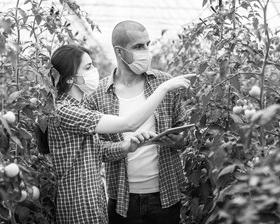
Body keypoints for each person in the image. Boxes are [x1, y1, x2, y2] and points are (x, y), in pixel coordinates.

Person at [47, 44, 193, 224]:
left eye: (92, 65)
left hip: (93, 201)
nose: (94, 71)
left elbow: (97, 151)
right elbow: (129, 123)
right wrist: (163, 88)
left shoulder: (77, 107)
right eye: (87, 67)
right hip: (79, 205)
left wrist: (128, 146)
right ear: (69, 79)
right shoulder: (65, 111)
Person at [87, 20, 191, 224]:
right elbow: (97, 150)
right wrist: (126, 147)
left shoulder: (164, 83)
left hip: (166, 196)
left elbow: (185, 133)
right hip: (122, 200)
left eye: (147, 45)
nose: (145, 51)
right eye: (137, 47)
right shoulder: (98, 95)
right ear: (120, 52)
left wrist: (177, 140)